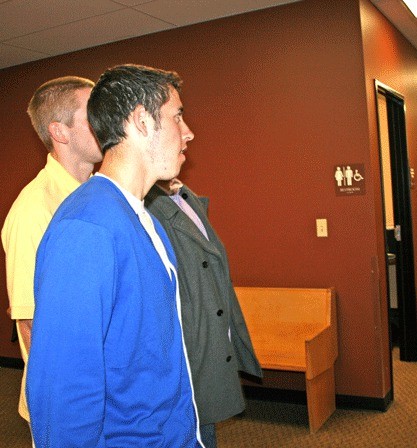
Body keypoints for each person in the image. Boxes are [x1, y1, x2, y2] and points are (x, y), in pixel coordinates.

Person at [26, 65, 203, 447]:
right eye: (177, 116)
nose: (187, 132)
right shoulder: (86, 228)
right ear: (141, 121)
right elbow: (64, 392)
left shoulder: (143, 217)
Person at [1, 76, 102, 428]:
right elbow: (30, 324)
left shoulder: (101, 196)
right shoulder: (33, 210)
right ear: (60, 132)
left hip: (109, 396)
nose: (107, 121)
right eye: (93, 115)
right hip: (69, 404)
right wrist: (77, 408)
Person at [145, 177, 262, 447]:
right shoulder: (145, 209)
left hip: (208, 342)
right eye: (179, 130)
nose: (187, 135)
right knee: (196, 433)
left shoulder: (186, 199)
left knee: (204, 430)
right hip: (188, 350)